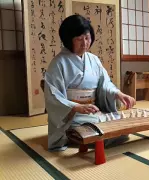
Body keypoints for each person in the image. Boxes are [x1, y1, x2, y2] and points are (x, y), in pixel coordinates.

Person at [44, 14, 136, 151]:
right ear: (69, 40)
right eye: (79, 39)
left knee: (121, 127)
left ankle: (90, 138)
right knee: (102, 132)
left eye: (87, 38)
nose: (85, 43)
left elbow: (105, 83)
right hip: (72, 116)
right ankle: (77, 136)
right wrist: (75, 107)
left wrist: (118, 94)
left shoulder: (94, 60)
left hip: (93, 112)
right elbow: (53, 96)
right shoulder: (58, 63)